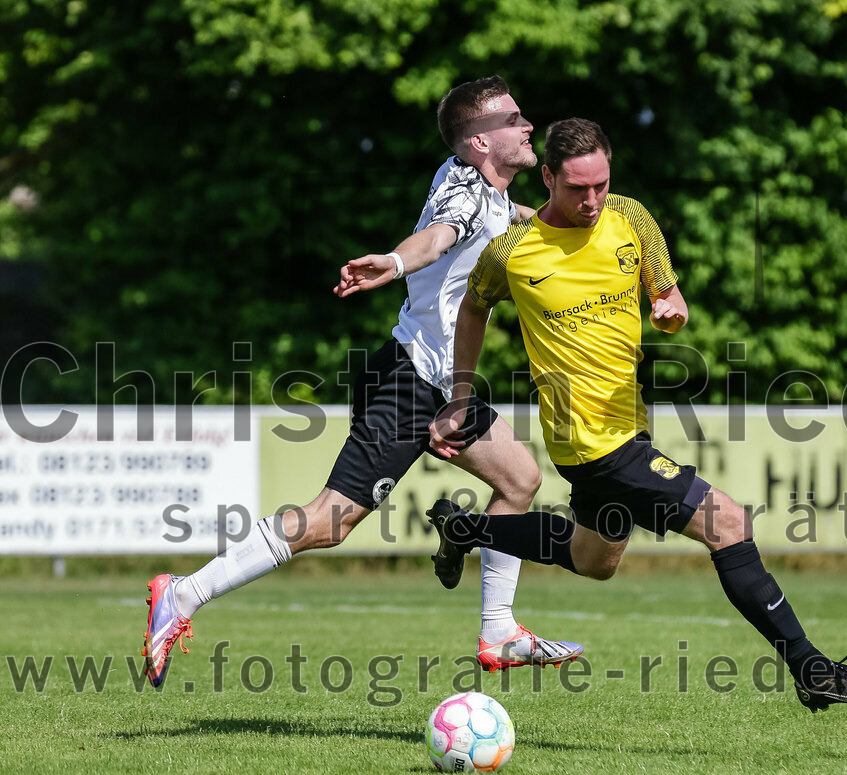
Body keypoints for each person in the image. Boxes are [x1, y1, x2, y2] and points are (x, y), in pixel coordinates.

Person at [427, 117, 847, 713]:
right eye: (577, 188)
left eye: (600, 184)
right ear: (546, 177)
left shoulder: (630, 216)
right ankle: (813, 670)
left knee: (592, 559)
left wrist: (670, 302)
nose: (592, 200)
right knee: (728, 523)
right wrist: (460, 396)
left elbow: (665, 288)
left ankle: (464, 529)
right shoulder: (512, 254)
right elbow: (473, 309)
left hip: (630, 426)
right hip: (594, 443)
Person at [142, 78, 583, 688]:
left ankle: (500, 631)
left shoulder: (487, 191)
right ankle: (184, 593)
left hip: (442, 381)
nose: (528, 124)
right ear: (481, 141)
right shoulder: (465, 195)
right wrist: (397, 261)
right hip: (407, 381)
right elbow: (438, 238)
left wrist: (586, 227)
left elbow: (519, 218)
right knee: (330, 521)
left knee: (520, 478)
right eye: (514, 118)